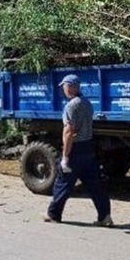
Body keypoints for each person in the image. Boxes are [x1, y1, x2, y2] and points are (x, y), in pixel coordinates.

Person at [44, 74, 113, 227]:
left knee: (63, 182)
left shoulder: (71, 105)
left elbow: (69, 131)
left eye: (65, 86)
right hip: (88, 147)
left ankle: (53, 214)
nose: (63, 89)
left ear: (71, 87)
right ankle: (105, 216)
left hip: (75, 149)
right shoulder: (87, 103)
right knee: (95, 185)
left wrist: (65, 157)